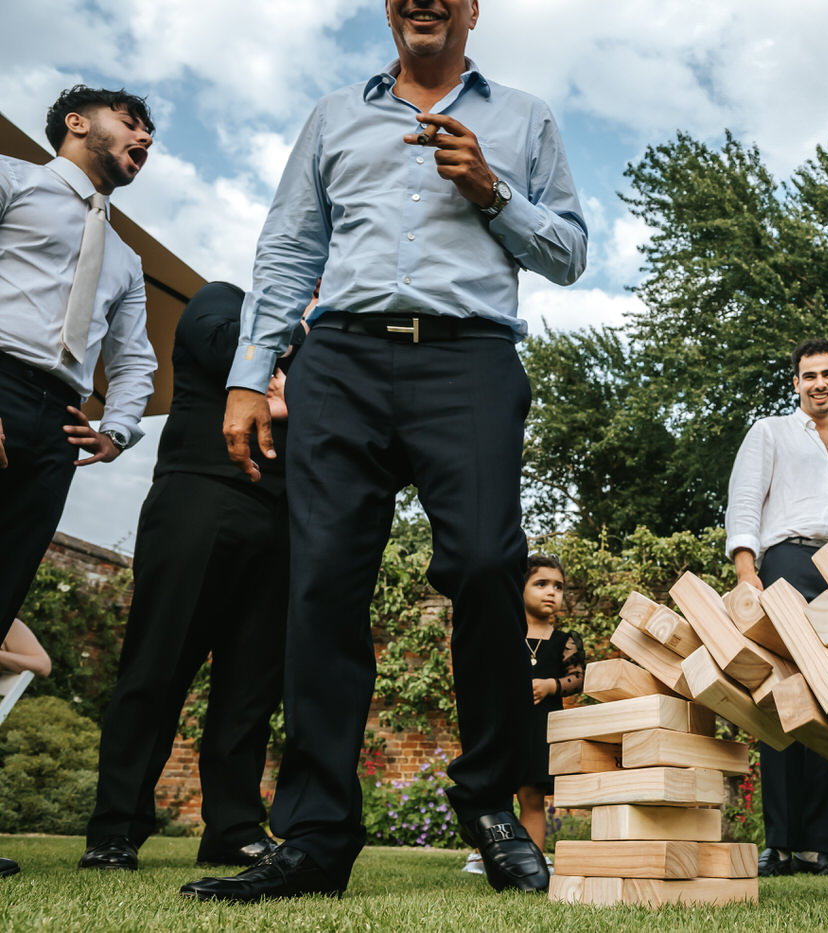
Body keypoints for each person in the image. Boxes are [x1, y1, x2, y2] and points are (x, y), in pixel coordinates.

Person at [182, 0, 587, 902]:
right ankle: (318, 834)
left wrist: (492, 190)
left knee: (488, 565)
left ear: (472, 9)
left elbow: (568, 253)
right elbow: (291, 244)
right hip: (343, 360)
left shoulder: (525, 118)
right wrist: (251, 373)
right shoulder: (334, 115)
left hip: (470, 360)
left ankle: (487, 801)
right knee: (322, 582)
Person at [79, 282, 303, 873]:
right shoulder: (224, 299)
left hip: (284, 520)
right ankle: (115, 828)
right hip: (199, 498)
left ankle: (232, 827)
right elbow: (229, 346)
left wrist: (296, 382)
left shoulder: (332, 349)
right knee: (157, 665)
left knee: (251, 687)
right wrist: (300, 332)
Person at [0, 84, 157, 881]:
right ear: (76, 122)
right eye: (132, 122)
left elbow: (134, 363)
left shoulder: (125, 259)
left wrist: (117, 427)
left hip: (57, 423)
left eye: (149, 131)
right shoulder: (11, 181)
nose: (144, 137)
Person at [725, 338, 828, 878]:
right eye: (809, 375)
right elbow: (744, 503)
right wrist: (750, 575)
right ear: (796, 383)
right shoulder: (769, 433)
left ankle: (819, 848)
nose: (819, 383)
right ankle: (781, 845)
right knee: (783, 700)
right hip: (784, 564)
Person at [465, 554, 583, 875]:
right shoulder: (505, 633)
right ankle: (482, 855)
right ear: (519, 588)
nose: (551, 592)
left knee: (531, 796)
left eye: (558, 586)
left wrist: (550, 685)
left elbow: (578, 678)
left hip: (540, 729)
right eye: (541, 584)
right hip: (503, 727)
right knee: (494, 790)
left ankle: (529, 861)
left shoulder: (564, 641)